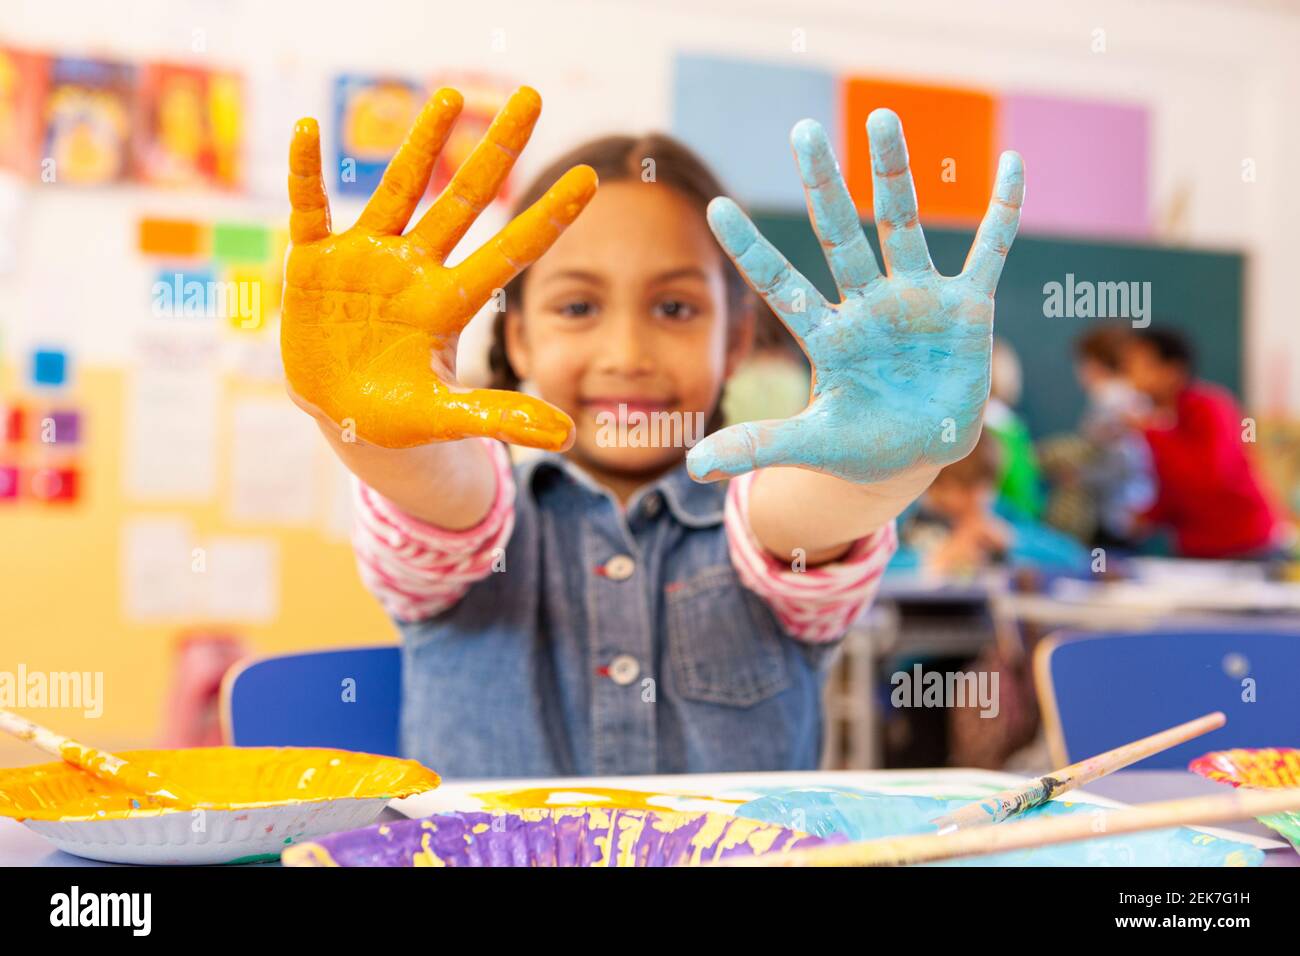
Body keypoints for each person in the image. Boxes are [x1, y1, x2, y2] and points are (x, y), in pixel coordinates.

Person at [280, 86, 1024, 777]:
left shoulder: (762, 514)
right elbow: (441, 488)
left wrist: (887, 465)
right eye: (577, 307)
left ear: (734, 340)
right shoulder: (475, 507)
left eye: (674, 309)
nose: (627, 355)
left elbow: (808, 518)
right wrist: (361, 425)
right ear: (521, 342)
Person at [1123, 327, 1284, 559]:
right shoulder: (1163, 419)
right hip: (1197, 551)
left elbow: (1210, 475)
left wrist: (1150, 433)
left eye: (1139, 366)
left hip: (1246, 546)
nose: (1132, 378)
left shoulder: (1210, 406)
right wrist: (1148, 517)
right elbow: (1175, 489)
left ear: (1172, 371)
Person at [1039, 324, 1153, 548]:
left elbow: (1118, 459)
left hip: (1110, 513)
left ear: (1093, 364)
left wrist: (1079, 476)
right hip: (1129, 507)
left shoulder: (1109, 399)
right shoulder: (1134, 398)